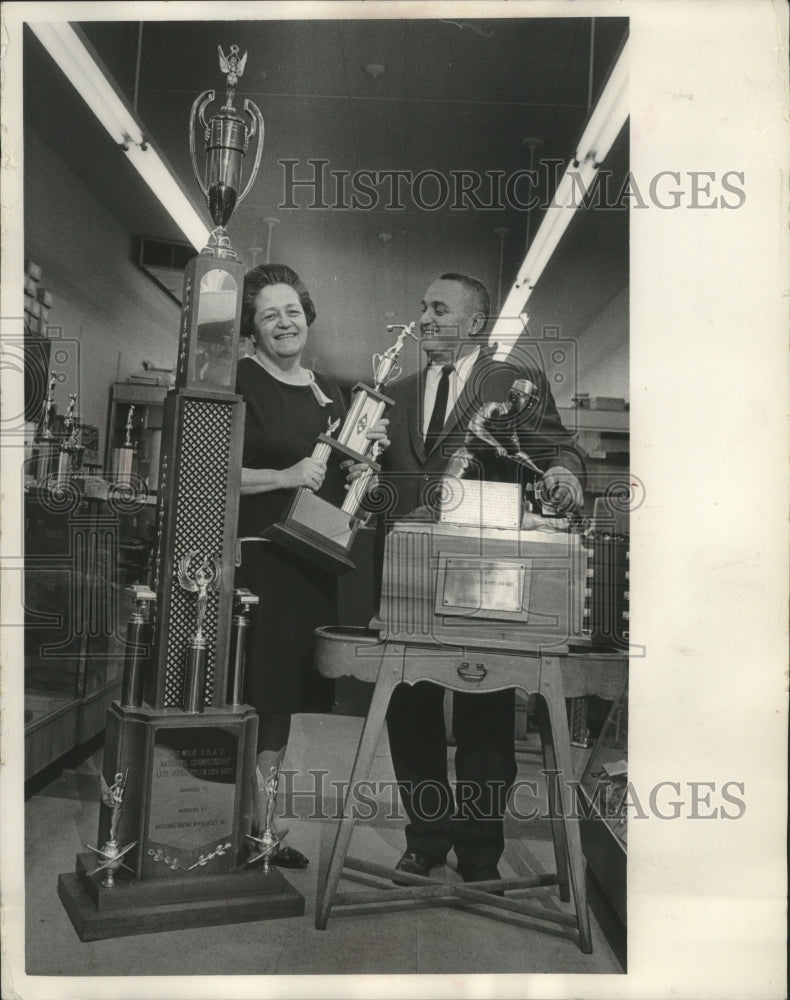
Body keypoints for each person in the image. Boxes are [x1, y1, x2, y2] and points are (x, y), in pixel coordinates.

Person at [375, 271, 583, 885]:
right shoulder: (400, 390)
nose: (425, 317)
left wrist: (566, 478)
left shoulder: (511, 383)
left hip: (485, 575)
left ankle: (480, 853)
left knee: (484, 712)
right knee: (409, 707)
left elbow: (559, 449)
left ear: (475, 322)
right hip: (410, 575)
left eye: (439, 308)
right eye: (422, 305)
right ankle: (425, 840)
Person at [235, 263, 387, 869]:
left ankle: (262, 828)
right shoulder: (238, 379)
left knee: (281, 697)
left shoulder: (333, 394)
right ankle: (230, 820)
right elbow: (208, 470)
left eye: (291, 311)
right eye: (269, 315)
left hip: (310, 561)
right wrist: (286, 475)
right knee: (249, 691)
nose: (283, 323)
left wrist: (362, 472)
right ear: (252, 327)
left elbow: (348, 482)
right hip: (260, 560)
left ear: (308, 316)